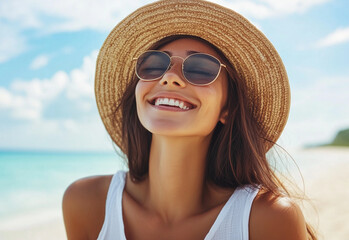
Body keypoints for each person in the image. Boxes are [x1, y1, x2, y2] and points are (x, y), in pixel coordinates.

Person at [62, 0, 316, 239]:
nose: (169, 77)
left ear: (227, 108)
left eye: (201, 69)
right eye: (153, 65)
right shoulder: (85, 203)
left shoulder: (268, 219)